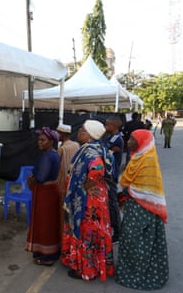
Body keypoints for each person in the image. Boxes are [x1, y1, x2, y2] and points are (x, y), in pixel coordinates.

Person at [61, 119, 114, 281]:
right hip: (93, 197)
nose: (79, 132)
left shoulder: (91, 152)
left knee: (87, 232)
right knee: (92, 231)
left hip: (90, 200)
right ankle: (94, 265)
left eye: (83, 130)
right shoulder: (93, 148)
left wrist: (85, 186)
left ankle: (87, 269)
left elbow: (98, 169)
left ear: (90, 135)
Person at [116, 129, 169, 290]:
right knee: (128, 238)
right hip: (133, 204)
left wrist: (126, 191)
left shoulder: (148, 159)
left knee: (138, 240)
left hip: (144, 207)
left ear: (142, 142)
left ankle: (138, 274)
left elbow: (145, 187)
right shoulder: (136, 156)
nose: (128, 142)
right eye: (129, 138)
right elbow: (129, 180)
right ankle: (126, 272)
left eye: (132, 139)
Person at [25, 127, 61, 266]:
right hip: (51, 191)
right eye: (39, 139)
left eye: (42, 140)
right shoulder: (53, 154)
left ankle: (47, 257)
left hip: (46, 193)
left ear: (51, 141)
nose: (39, 142)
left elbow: (40, 177)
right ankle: (52, 252)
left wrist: (31, 180)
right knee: (50, 223)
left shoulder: (48, 156)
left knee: (45, 224)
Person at [103, 116, 124, 243]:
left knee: (113, 204)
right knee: (109, 203)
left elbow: (106, 150)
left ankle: (117, 233)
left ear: (114, 126)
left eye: (107, 124)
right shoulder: (111, 137)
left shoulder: (116, 139)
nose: (105, 127)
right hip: (109, 174)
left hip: (111, 176)